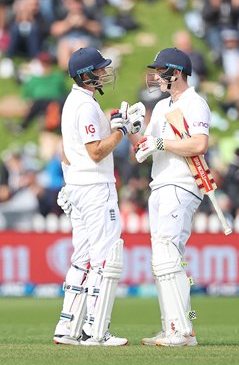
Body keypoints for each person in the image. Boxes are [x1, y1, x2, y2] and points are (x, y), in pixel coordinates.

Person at [53, 46, 145, 347]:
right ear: (86, 75)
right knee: (105, 257)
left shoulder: (74, 102)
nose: (105, 73)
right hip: (95, 188)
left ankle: (68, 328)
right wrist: (122, 131)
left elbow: (70, 152)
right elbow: (95, 152)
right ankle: (97, 331)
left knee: (81, 258)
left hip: (79, 186)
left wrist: (114, 122)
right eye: (100, 69)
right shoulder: (85, 106)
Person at [132, 47, 211, 346]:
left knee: (168, 255)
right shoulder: (165, 106)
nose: (155, 76)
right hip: (160, 184)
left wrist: (160, 143)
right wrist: (130, 129)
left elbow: (199, 144)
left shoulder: (194, 102)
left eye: (160, 70)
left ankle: (182, 329)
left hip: (181, 184)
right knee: (162, 259)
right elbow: (144, 146)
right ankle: (173, 328)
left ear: (175, 73)